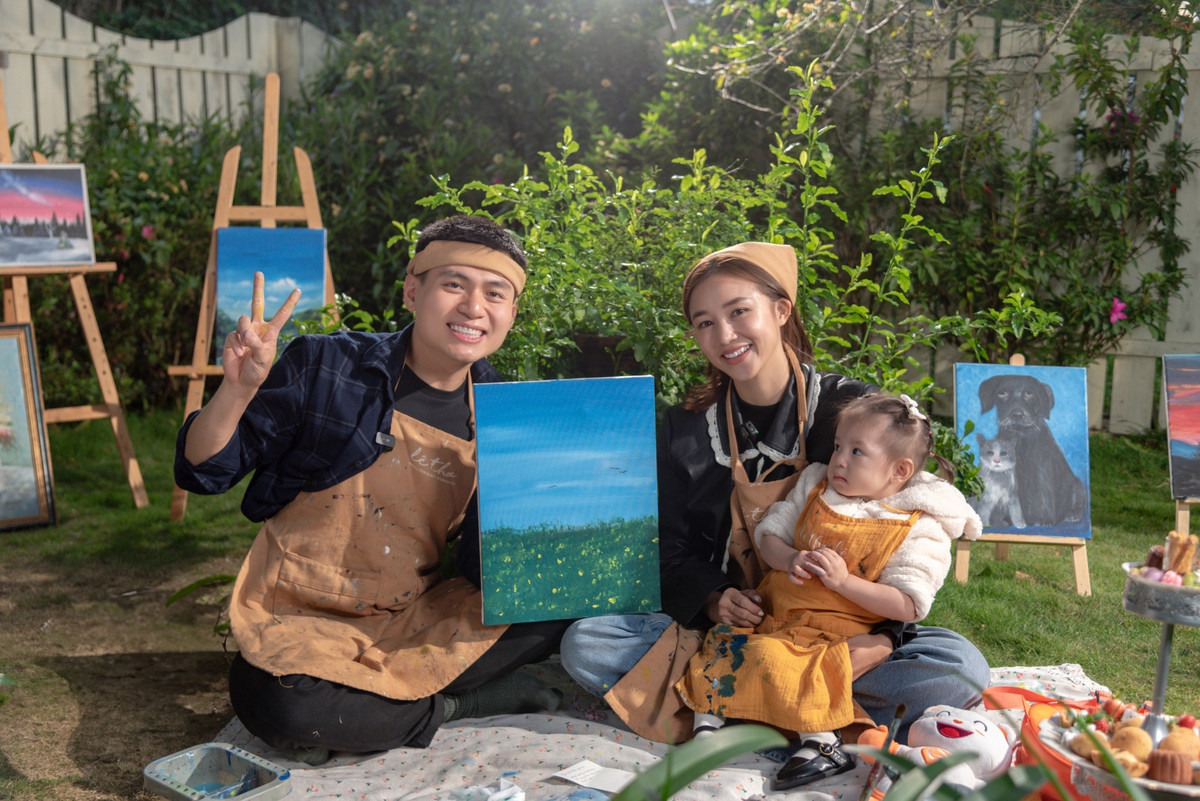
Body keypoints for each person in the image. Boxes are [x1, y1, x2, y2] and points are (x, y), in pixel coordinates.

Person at [559, 241, 991, 748]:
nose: (725, 335)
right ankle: (799, 706)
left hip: (837, 631)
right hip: (735, 633)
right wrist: (715, 599)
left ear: (782, 310)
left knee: (960, 666)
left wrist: (883, 636)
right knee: (586, 643)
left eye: (739, 311)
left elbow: (910, 514)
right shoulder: (684, 429)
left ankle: (722, 700)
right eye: (704, 322)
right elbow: (669, 548)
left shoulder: (851, 409)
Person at [175, 215, 568, 762]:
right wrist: (237, 393)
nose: (474, 307)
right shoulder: (327, 366)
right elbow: (204, 472)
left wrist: (536, 510)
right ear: (413, 291)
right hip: (303, 614)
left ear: (512, 313)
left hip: (411, 613)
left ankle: (370, 712)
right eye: (454, 284)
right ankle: (462, 704)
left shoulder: (504, 415)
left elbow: (479, 570)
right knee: (282, 707)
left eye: (495, 293)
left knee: (559, 602)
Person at [676, 392, 982, 791]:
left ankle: (821, 741)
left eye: (857, 452)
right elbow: (770, 535)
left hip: (838, 636)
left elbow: (909, 605)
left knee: (795, 664)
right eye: (838, 446)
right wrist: (789, 558)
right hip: (778, 615)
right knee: (723, 645)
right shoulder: (816, 485)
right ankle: (708, 730)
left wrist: (844, 582)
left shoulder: (920, 523)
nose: (839, 459)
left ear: (899, 470)